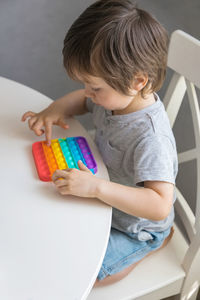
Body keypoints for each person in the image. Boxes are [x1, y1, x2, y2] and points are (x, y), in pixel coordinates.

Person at [21, 0, 178, 286]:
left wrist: (96, 188)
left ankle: (155, 243)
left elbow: (159, 205)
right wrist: (56, 109)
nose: (87, 94)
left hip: (134, 226)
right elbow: (82, 101)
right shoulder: (113, 98)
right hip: (101, 194)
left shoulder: (151, 139)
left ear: (137, 81)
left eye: (95, 87)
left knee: (87, 273)